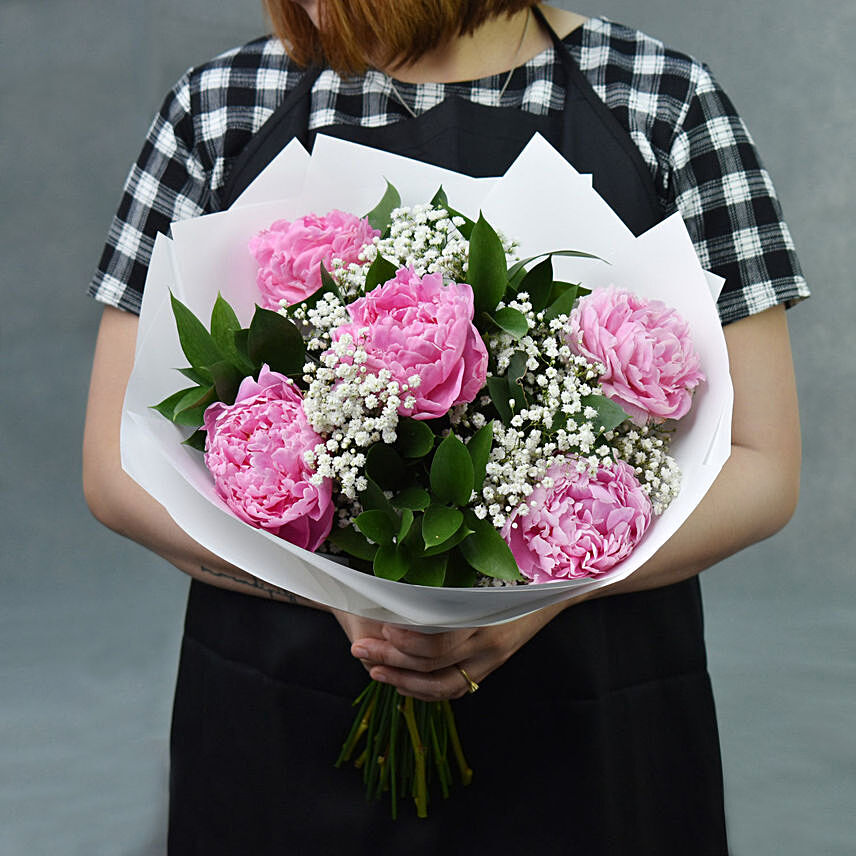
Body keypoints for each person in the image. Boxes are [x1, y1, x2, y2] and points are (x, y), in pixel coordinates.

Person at [82, 1, 808, 853]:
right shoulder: (222, 104)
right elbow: (113, 466)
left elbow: (764, 463)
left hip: (585, 732)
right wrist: (349, 595)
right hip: (282, 720)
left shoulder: (663, 104)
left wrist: (531, 603)